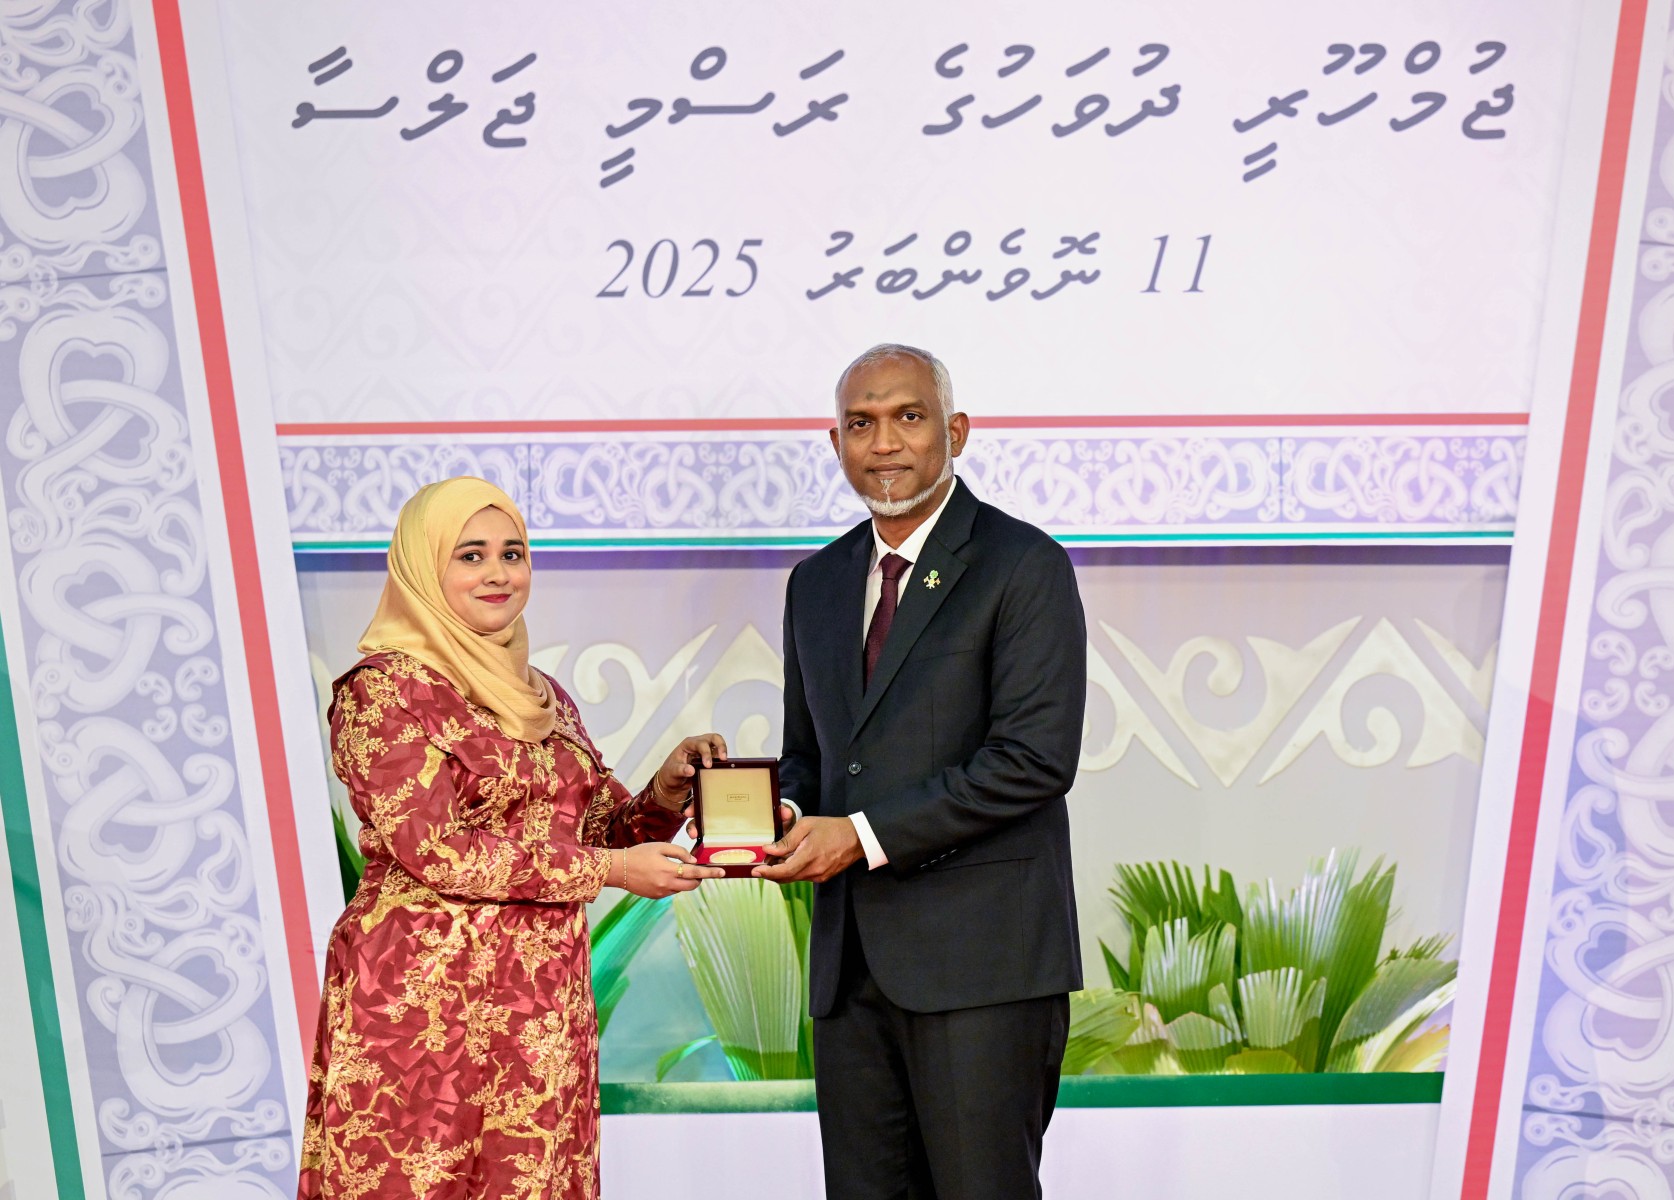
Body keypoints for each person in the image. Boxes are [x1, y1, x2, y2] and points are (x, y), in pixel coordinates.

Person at [297, 476, 728, 1200]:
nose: (497, 573)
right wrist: (611, 870)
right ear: (423, 567)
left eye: (513, 553)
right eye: (470, 555)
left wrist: (665, 790)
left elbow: (597, 829)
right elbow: (438, 851)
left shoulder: (541, 694)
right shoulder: (382, 692)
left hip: (539, 1007)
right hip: (423, 1005)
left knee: (532, 1179)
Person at [755, 344, 1088, 1198]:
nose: (885, 443)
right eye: (861, 423)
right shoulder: (815, 583)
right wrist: (773, 814)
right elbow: (812, 756)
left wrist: (860, 837)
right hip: (851, 972)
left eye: (909, 417)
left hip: (983, 969)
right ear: (836, 443)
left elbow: (1033, 760)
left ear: (957, 431)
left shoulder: (1023, 564)